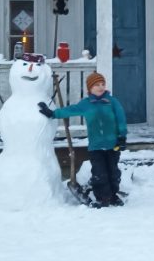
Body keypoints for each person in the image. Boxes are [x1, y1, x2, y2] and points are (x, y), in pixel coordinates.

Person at [39, 71, 127, 207]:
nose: (101, 87)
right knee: (99, 173)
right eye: (97, 84)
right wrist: (52, 113)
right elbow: (70, 110)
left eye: (102, 84)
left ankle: (113, 196)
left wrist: (122, 137)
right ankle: (102, 198)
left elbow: (121, 119)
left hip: (112, 145)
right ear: (90, 88)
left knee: (113, 172)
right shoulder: (86, 104)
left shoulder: (112, 102)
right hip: (96, 147)